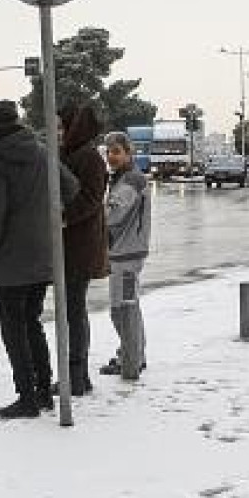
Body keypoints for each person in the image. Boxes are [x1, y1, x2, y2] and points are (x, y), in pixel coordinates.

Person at [0, 100, 78, 419]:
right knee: (33, 323)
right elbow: (71, 187)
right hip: (42, 253)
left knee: (14, 330)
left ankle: (27, 398)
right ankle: (43, 391)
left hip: (10, 258)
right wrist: (50, 214)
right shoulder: (40, 151)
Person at [57, 102, 109, 396]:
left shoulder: (88, 157)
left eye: (63, 127)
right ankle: (77, 376)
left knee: (74, 312)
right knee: (71, 311)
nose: (59, 132)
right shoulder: (72, 153)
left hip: (81, 246)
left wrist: (63, 216)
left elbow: (91, 198)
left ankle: (76, 377)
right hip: (72, 245)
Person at [99, 131, 151, 376]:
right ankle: (132, 354)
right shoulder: (123, 177)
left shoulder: (131, 180)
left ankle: (131, 358)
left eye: (117, 152)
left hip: (127, 254)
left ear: (129, 153)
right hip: (125, 252)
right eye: (109, 152)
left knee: (122, 309)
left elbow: (113, 214)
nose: (111, 156)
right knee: (128, 307)